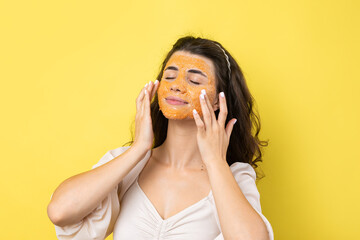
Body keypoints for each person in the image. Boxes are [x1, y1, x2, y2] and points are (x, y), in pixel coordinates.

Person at [47, 36, 274, 240]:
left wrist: (215, 161)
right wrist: (139, 148)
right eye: (170, 76)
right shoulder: (128, 165)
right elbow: (59, 212)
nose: (177, 86)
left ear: (217, 101)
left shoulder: (234, 176)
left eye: (194, 81)